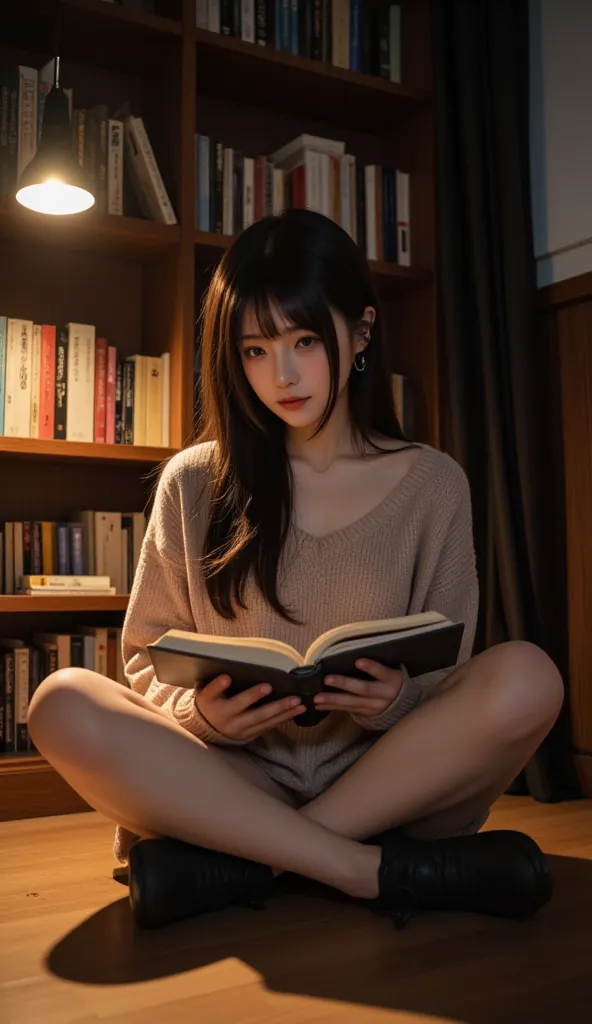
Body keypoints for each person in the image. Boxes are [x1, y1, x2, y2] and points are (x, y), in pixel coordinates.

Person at [28, 209, 564, 931]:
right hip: (229, 777)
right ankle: (363, 868)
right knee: (60, 700)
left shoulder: (433, 483)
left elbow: (449, 671)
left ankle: (248, 863)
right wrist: (202, 714)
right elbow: (144, 661)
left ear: (363, 331)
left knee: (530, 674)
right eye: (254, 350)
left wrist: (396, 700)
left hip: (384, 782)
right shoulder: (194, 481)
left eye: (304, 340)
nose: (280, 375)